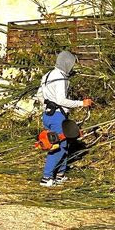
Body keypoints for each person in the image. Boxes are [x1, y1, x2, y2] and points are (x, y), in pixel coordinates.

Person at [36, 51, 93, 187]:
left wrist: (48, 103)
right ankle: (47, 177)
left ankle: (60, 175)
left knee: (64, 144)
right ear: (67, 64)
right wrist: (81, 103)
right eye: (72, 64)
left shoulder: (47, 75)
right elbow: (62, 100)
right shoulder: (61, 78)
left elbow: (39, 95)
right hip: (57, 117)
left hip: (47, 115)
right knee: (57, 147)